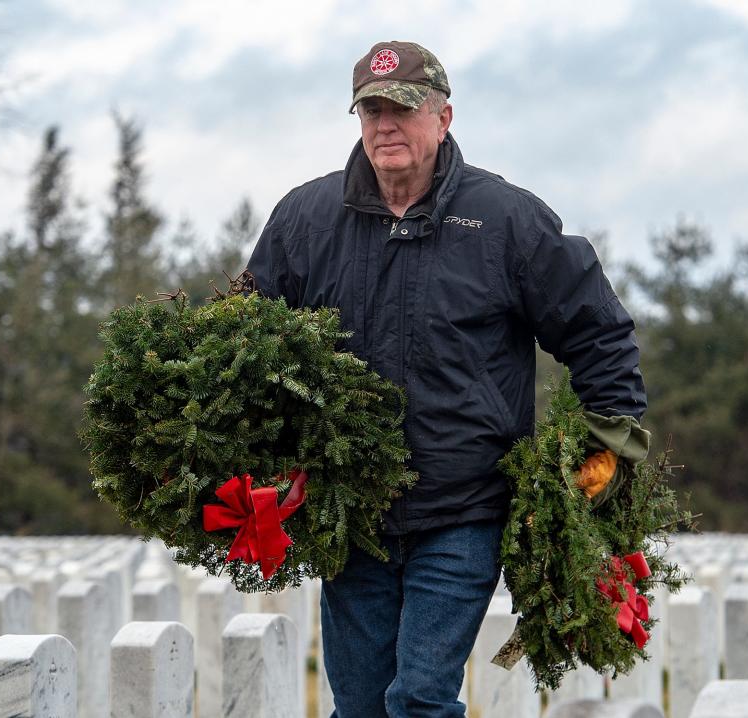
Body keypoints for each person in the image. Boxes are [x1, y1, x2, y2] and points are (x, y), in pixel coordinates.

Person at [246, 40, 647, 718]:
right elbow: (246, 347)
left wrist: (604, 455)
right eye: (370, 110)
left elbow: (597, 334)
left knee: (421, 698)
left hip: (463, 511)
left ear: (444, 117)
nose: (385, 126)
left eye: (402, 109)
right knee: (360, 706)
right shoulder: (307, 220)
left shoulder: (506, 221)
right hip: (354, 517)